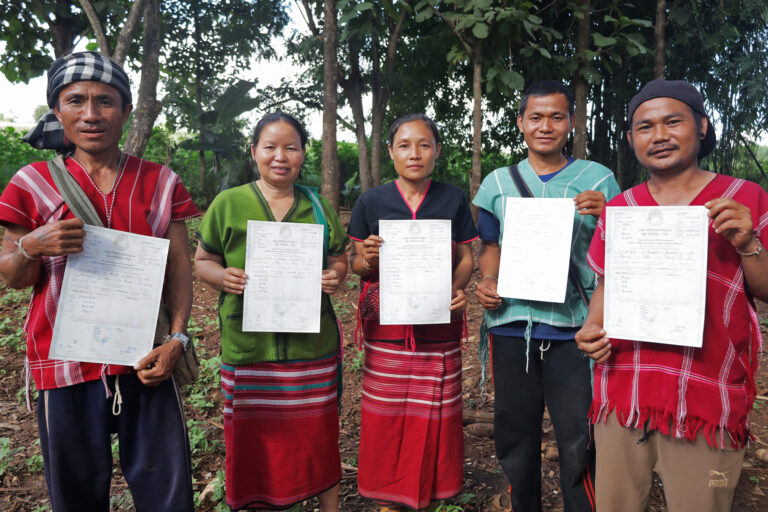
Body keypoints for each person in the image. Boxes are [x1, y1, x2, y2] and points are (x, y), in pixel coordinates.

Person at [0, 52, 199, 511]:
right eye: (76, 101)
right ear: (57, 112)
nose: (91, 114)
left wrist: (178, 339)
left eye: (105, 102)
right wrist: (33, 244)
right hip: (64, 365)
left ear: (126, 111)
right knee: (75, 497)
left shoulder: (160, 182)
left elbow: (179, 269)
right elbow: (11, 274)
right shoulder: (32, 184)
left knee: (167, 496)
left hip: (147, 359)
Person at [575, 79, 768, 512]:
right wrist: (591, 325)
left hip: (706, 394)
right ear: (630, 139)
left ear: (701, 126)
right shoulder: (621, 207)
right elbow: (607, 285)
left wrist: (748, 243)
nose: (659, 136)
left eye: (672, 122)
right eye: (645, 127)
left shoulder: (745, 199)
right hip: (624, 388)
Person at [473, 80, 621, 512]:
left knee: (579, 434)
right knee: (514, 433)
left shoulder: (599, 180)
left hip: (575, 329)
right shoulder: (498, 183)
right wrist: (487, 282)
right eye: (535, 117)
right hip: (511, 326)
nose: (545, 126)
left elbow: (622, 248)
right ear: (520, 122)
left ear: (571, 123)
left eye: (557, 117)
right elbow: (491, 247)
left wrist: (608, 212)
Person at [194, 112, 347, 511]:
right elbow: (202, 258)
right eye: (270, 147)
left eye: (291, 147)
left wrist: (334, 275)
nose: (281, 156)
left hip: (311, 348)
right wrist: (221, 276)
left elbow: (340, 259)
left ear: (303, 154)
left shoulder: (317, 204)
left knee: (316, 437)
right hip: (250, 346)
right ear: (254, 152)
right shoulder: (229, 203)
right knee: (254, 440)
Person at [347, 113, 478, 511]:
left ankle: (432, 495)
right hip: (389, 329)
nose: (414, 153)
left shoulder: (452, 198)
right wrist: (367, 257)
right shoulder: (372, 201)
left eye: (424, 144)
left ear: (436, 150)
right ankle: (389, 499)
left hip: (438, 329)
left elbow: (467, 256)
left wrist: (455, 290)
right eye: (404, 145)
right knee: (386, 419)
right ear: (390, 152)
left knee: (434, 419)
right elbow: (356, 264)